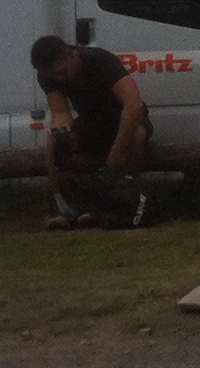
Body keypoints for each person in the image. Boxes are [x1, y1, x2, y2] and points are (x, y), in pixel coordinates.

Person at [29, 35, 156, 229]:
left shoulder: (101, 60)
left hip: (124, 118)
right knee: (55, 141)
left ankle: (125, 198)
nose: (60, 79)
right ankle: (63, 204)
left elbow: (133, 105)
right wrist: (61, 134)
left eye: (62, 72)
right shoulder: (48, 74)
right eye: (55, 76)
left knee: (136, 134)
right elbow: (61, 113)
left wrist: (114, 160)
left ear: (71, 55)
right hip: (92, 121)